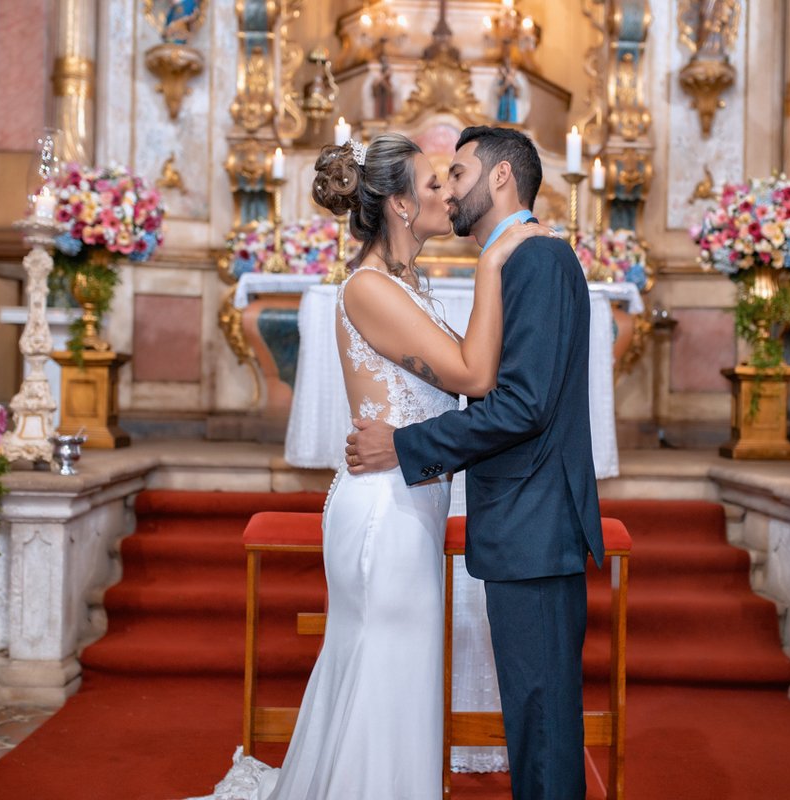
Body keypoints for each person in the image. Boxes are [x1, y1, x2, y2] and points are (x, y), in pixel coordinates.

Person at [186, 133, 556, 800]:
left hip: (412, 499)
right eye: (434, 183)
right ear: (400, 206)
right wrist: (495, 261)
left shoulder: (407, 285)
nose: (449, 193)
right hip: (385, 510)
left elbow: (472, 376)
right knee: (387, 676)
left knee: (399, 677)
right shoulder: (367, 288)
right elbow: (474, 375)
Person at [346, 126, 605, 800]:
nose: (450, 192)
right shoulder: (511, 261)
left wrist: (405, 446)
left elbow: (522, 407)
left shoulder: (536, 259)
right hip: (522, 524)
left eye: (457, 174)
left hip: (535, 525)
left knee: (542, 727)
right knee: (535, 721)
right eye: (437, 180)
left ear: (500, 177)